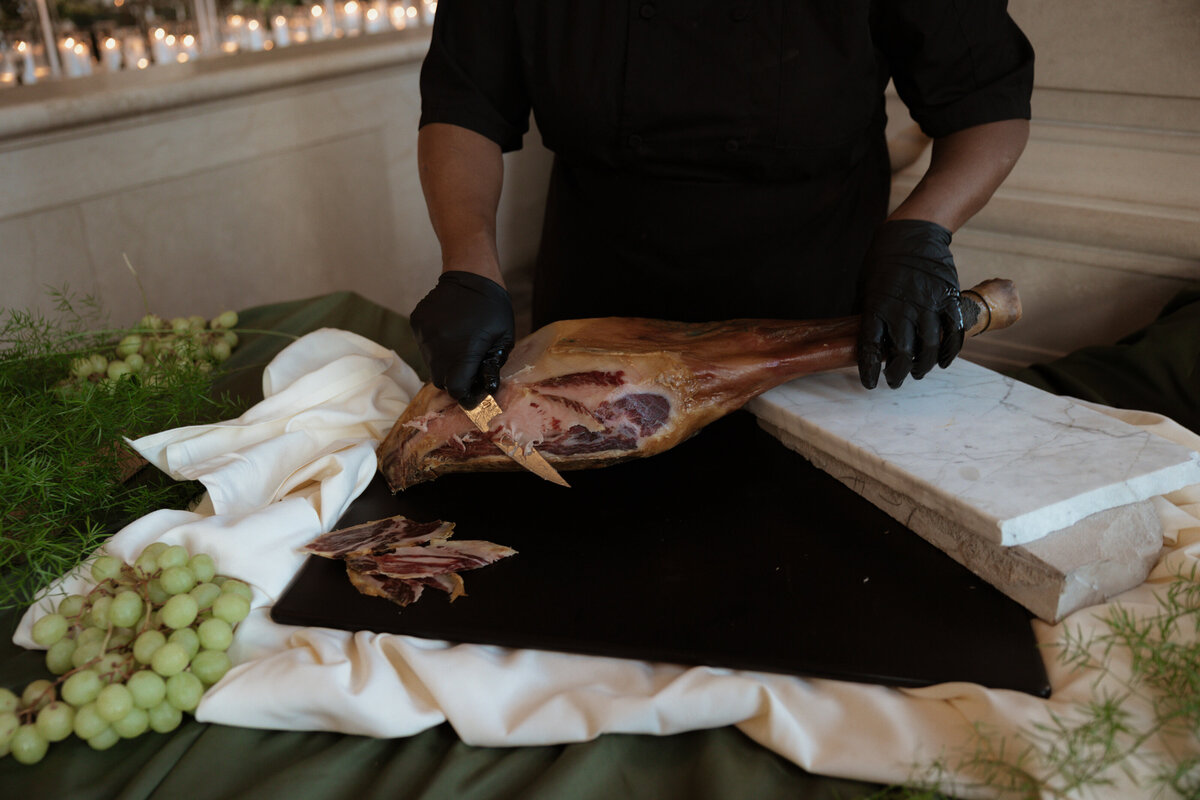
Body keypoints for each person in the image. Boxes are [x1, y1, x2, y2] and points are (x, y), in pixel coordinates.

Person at [408, 2, 1034, 408]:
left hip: (817, 323)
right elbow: (465, 104)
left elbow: (986, 99)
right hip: (594, 322)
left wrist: (922, 230)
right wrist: (469, 264)